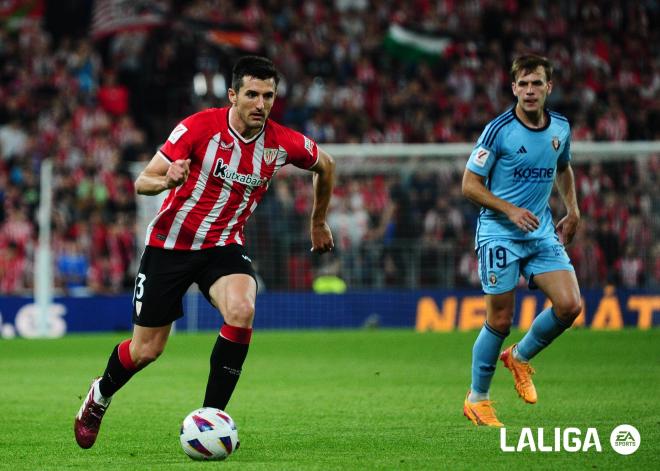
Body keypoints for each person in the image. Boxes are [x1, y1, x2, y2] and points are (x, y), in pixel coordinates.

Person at [74, 55, 335, 448]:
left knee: (242, 308)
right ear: (233, 95)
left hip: (223, 246)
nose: (261, 104)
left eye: (268, 95)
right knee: (146, 350)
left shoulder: (281, 142)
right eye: (252, 94)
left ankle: (211, 419)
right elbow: (142, 182)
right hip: (170, 246)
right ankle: (100, 395)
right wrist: (166, 180)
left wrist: (317, 221)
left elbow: (326, 166)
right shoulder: (198, 128)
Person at [461, 54, 582, 427]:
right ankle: (477, 399)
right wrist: (509, 209)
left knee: (569, 305)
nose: (530, 91)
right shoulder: (498, 131)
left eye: (537, 83)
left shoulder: (560, 126)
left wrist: (573, 209)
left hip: (540, 230)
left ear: (549, 87)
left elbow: (563, 167)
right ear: (514, 88)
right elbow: (469, 185)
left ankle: (520, 356)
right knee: (499, 319)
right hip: (499, 232)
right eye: (523, 84)